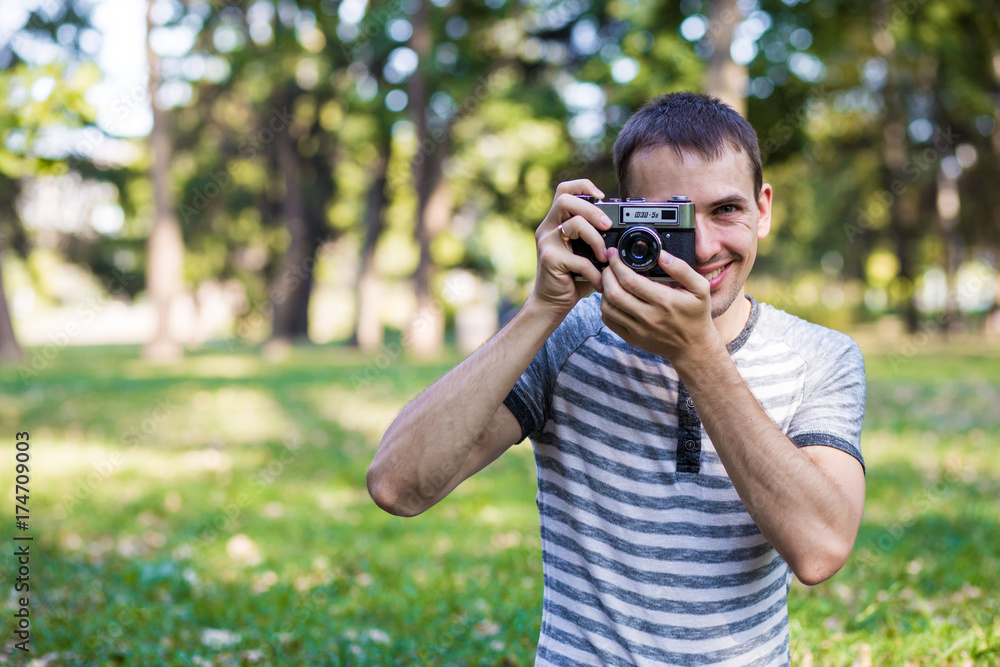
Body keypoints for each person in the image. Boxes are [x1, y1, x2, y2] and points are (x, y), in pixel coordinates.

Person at [367, 91, 866, 666]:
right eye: (669, 219)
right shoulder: (565, 336)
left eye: (726, 210)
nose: (702, 247)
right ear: (621, 218)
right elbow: (398, 487)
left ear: (764, 209)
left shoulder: (822, 355)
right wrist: (540, 309)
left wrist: (697, 357)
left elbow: (821, 550)